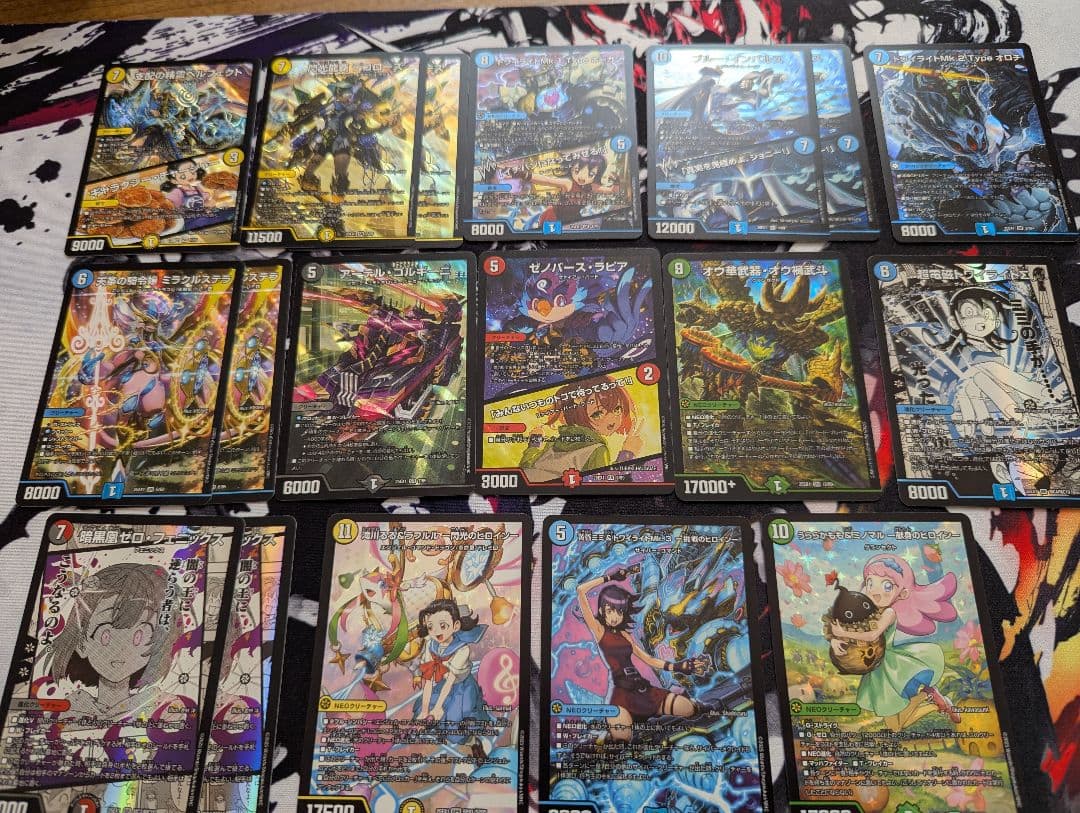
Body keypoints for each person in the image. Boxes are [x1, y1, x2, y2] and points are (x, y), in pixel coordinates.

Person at [828, 554, 962, 731]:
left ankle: (929, 697)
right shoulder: (866, 611)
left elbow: (873, 635)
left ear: (902, 594)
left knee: (895, 725)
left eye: (887, 586)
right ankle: (932, 700)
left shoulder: (889, 613)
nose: (875, 591)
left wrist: (841, 633)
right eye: (870, 583)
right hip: (875, 671)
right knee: (895, 726)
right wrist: (835, 641)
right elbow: (853, 632)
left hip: (890, 669)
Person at [576, 568, 708, 742]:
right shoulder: (599, 631)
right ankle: (598, 739)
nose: (615, 616)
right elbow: (581, 590)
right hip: (621, 697)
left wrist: (677, 666)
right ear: (601, 611)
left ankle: (678, 698)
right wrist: (610, 577)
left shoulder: (624, 635)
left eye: (619, 611)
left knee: (690, 709)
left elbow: (647, 659)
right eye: (609, 611)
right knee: (621, 740)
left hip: (644, 690)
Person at [519, 375, 644, 483]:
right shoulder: (597, 450)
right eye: (597, 414)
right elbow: (603, 484)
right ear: (577, 415)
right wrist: (627, 454)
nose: (611, 419)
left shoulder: (554, 444)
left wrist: (534, 442)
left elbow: (526, 467)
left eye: (617, 409)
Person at [413, 599, 490, 757]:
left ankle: (474, 743)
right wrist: (426, 710)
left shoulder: (462, 649)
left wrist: (437, 709)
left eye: (443, 626)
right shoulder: (431, 645)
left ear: (456, 626)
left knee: (456, 722)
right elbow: (428, 680)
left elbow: (450, 682)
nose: (436, 631)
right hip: (442, 685)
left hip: (461, 687)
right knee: (426, 715)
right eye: (430, 627)